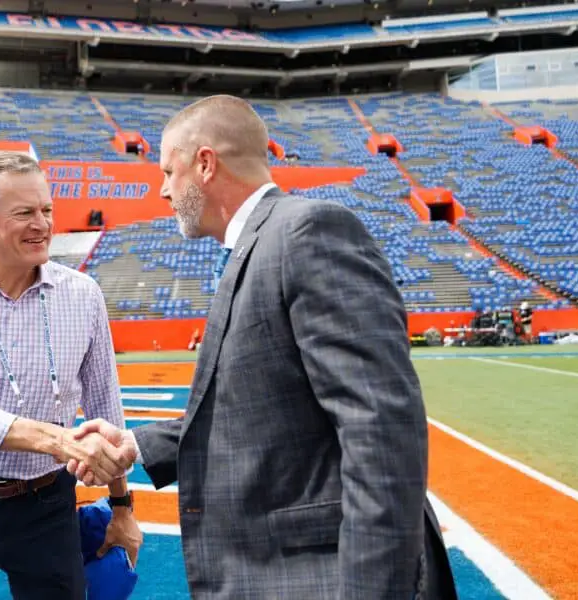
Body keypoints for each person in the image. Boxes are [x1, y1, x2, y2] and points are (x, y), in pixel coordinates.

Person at [69, 96, 458, 599]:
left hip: (321, 574)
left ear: (205, 164)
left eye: (169, 171)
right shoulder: (264, 242)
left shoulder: (307, 232)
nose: (162, 190)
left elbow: (379, 426)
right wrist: (136, 445)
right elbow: (255, 407)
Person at [0, 152, 141, 600]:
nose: (42, 224)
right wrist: (58, 441)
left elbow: (106, 411)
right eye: (24, 213)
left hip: (48, 505)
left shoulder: (84, 295)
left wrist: (122, 508)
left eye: (47, 210)